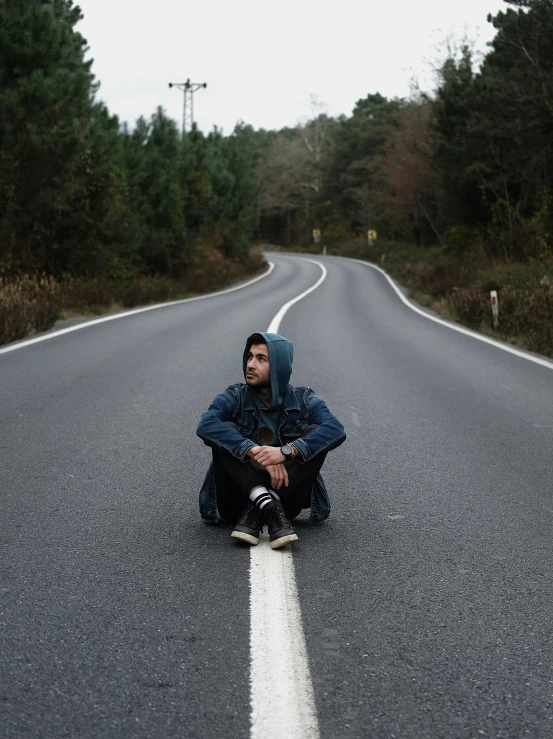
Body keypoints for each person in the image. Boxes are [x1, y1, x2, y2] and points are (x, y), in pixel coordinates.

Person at [196, 332, 346, 549]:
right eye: (249, 357)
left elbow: (335, 429)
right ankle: (268, 504)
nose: (250, 364)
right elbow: (206, 424)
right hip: (234, 500)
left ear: (279, 367)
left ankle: (262, 503)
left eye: (261, 359)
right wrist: (250, 448)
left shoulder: (303, 399)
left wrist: (287, 451)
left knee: (316, 432)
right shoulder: (235, 396)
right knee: (225, 429)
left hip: (288, 496)